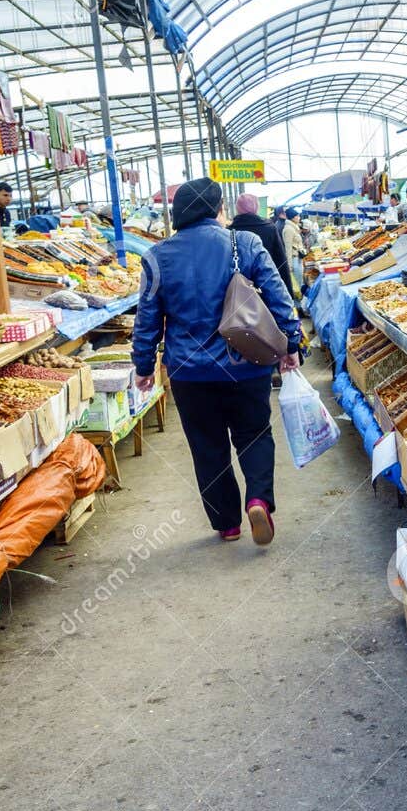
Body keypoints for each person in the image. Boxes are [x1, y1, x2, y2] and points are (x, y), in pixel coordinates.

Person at [132, 178, 302, 546]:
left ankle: (227, 523)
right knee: (254, 434)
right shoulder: (246, 243)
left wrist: (144, 366)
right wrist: (291, 342)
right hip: (246, 363)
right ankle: (258, 499)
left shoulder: (156, 256)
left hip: (189, 372)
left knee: (207, 445)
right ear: (215, 209)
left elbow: (147, 319)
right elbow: (278, 296)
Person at [230, 192, 293, 299]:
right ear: (256, 207)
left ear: (237, 208)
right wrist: (288, 293)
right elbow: (280, 260)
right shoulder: (269, 228)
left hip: (239, 293)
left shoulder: (229, 232)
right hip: (268, 287)